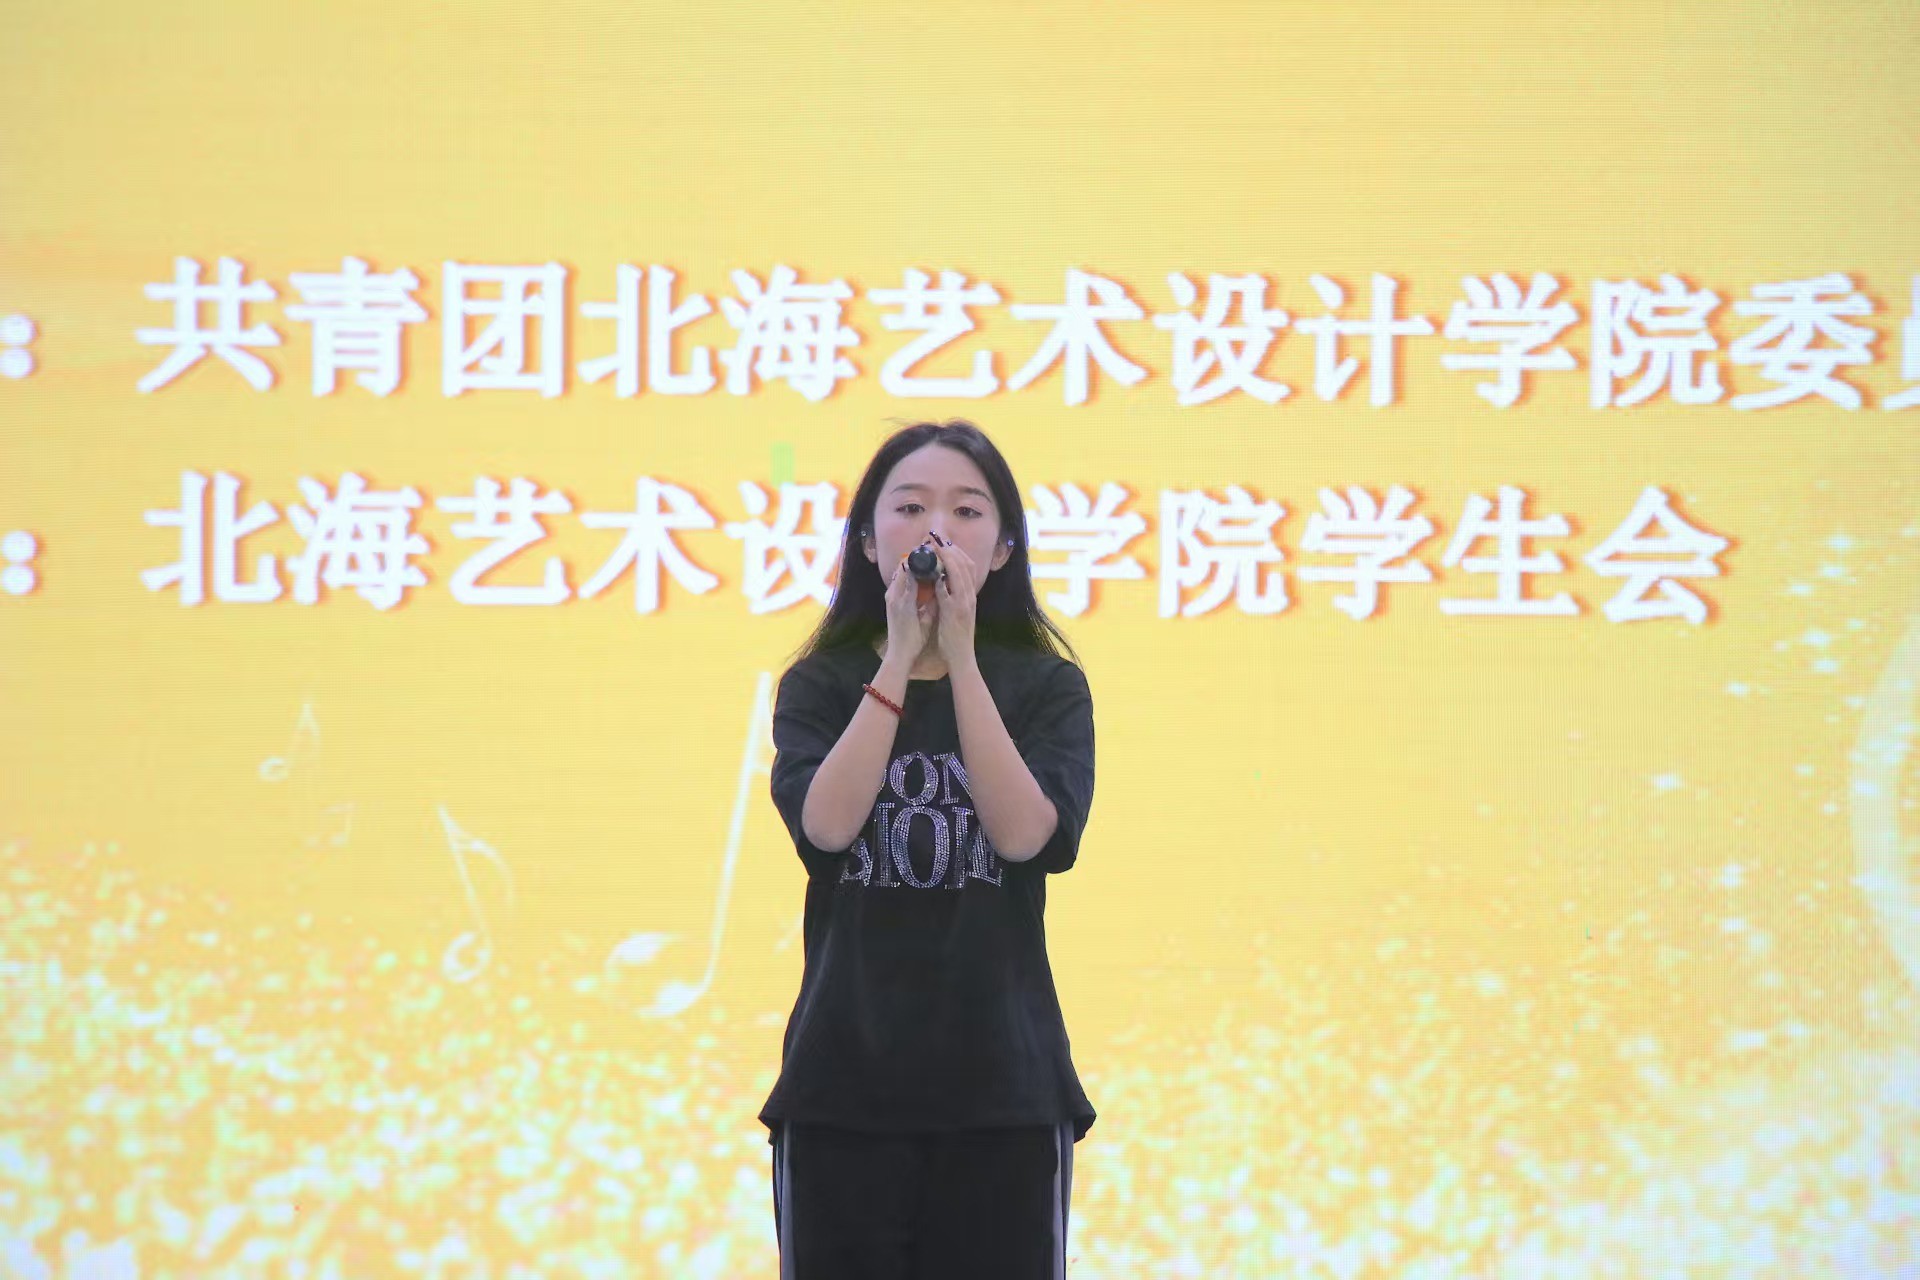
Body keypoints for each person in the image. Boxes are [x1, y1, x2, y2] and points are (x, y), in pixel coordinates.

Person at [760, 418, 1097, 1280]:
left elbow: (1026, 836)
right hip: (842, 1086)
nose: (937, 530)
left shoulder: (1047, 686)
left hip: (1006, 1090)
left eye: (968, 511)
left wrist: (962, 660)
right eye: (909, 508)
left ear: (1006, 547)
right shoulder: (820, 683)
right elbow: (827, 828)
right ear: (870, 543)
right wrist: (901, 660)